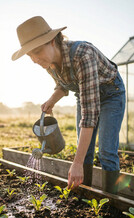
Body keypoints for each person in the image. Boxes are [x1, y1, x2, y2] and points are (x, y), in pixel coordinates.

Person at [12, 16, 126, 194]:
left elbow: (89, 115)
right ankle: (86, 196)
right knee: (85, 150)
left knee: (106, 151)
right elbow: (63, 85)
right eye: (30, 55)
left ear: (51, 41)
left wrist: (77, 163)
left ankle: (111, 202)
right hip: (85, 96)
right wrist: (52, 100)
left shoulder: (82, 54)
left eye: (37, 52)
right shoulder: (49, 63)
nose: (34, 59)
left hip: (111, 94)